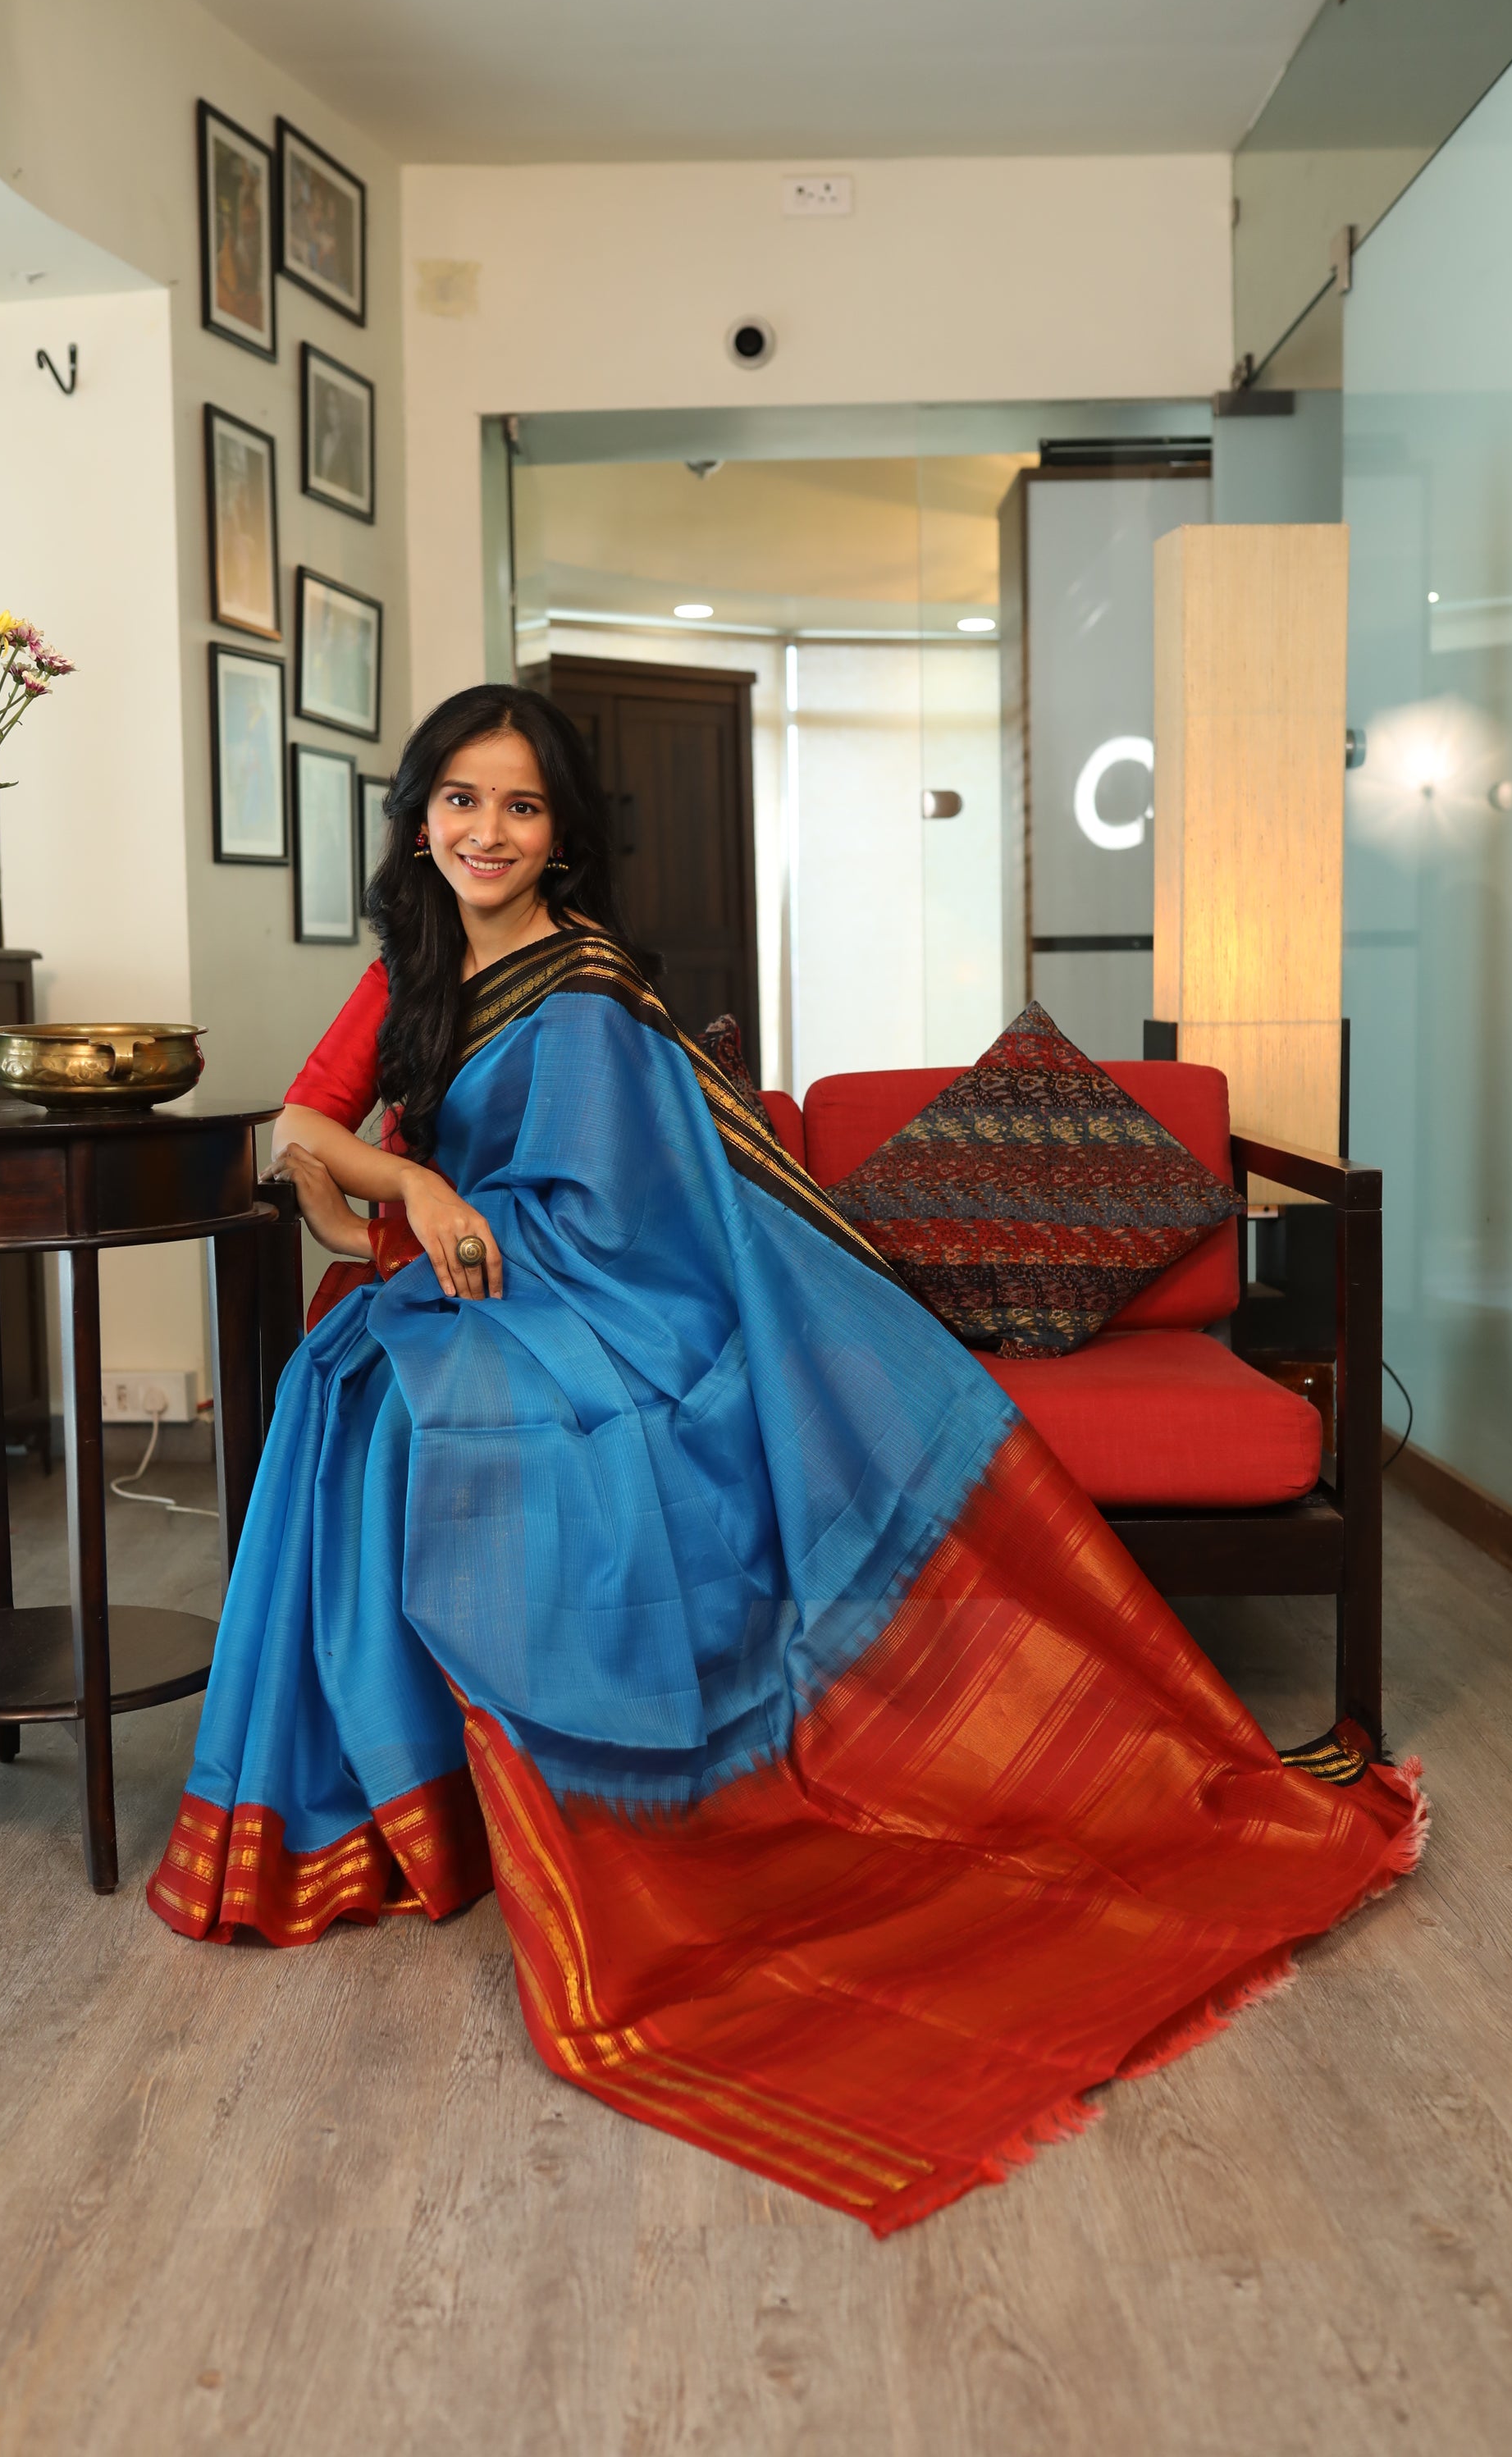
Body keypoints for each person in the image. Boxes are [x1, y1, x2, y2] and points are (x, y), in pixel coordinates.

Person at [148, 684, 1423, 2236]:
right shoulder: (407, 973)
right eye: (462, 800)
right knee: (352, 1389)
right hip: (484, 1274)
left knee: (424, 1399)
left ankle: (609, 1796)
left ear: (562, 837)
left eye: (523, 805)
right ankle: (398, 1808)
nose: (489, 831)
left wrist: (432, 1214)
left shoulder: (588, 989)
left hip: (615, 1291)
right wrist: (412, 1184)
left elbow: (622, 1216)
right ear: (419, 819)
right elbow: (300, 1127)